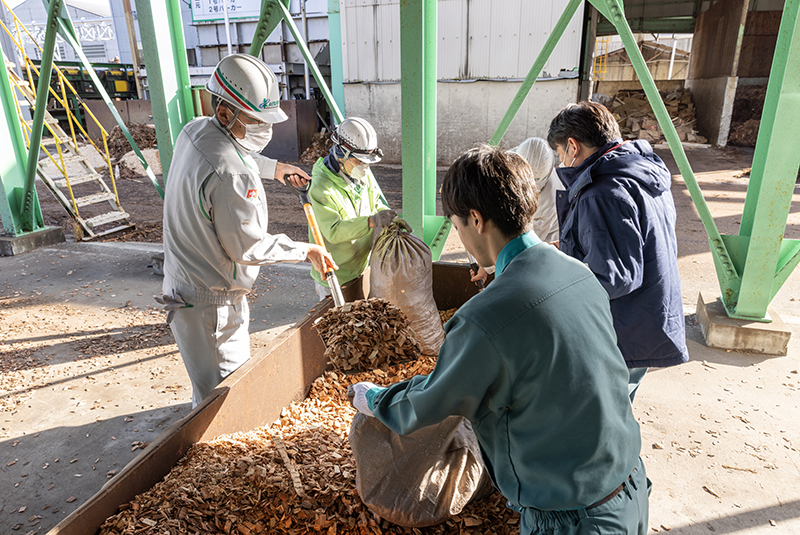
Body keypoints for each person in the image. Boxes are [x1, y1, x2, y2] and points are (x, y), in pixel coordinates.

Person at [349, 145, 648, 535]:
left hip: (575, 519)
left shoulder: (485, 318)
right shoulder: (576, 271)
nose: (459, 235)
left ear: (476, 219)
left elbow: (429, 402)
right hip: (628, 487)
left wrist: (374, 398)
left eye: (456, 226)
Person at [159, 54, 336, 408]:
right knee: (224, 401)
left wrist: (276, 168)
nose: (264, 129)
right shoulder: (233, 176)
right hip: (213, 308)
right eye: (256, 120)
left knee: (207, 390)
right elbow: (249, 247)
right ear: (225, 113)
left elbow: (229, 152)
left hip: (185, 285)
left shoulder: (195, 130)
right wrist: (306, 250)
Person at [547, 101, 689, 401]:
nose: (561, 161)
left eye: (560, 153)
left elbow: (614, 277)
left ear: (572, 146)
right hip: (648, 317)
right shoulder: (640, 173)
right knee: (620, 406)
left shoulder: (601, 193)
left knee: (603, 413)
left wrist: (553, 278)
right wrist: (571, 247)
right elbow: (631, 244)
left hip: (621, 330)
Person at [306, 117, 395, 300]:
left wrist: (386, 216)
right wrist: (371, 221)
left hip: (360, 267)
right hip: (335, 276)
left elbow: (374, 200)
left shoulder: (361, 174)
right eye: (359, 161)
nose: (365, 167)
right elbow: (334, 231)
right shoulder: (321, 186)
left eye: (367, 162)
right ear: (341, 154)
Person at [470, 137, 564, 283]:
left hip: (546, 238)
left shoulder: (551, 196)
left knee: (533, 271)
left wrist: (489, 266)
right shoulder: (505, 165)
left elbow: (525, 241)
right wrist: (485, 264)